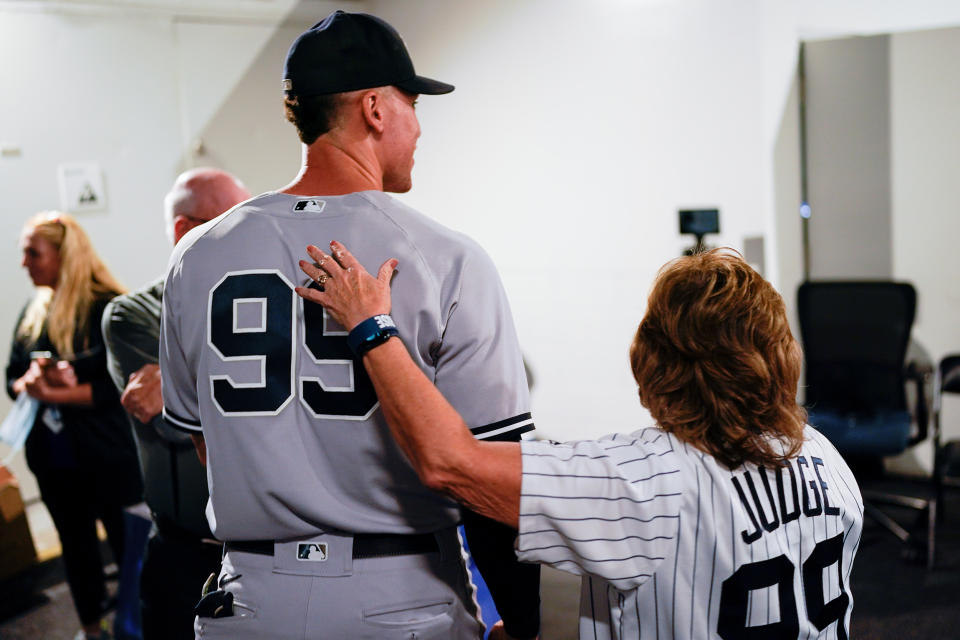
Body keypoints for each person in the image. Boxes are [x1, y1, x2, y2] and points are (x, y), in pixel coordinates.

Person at [158, 10, 539, 640]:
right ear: (375, 109)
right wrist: (519, 623)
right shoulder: (444, 256)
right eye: (412, 103)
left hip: (249, 600)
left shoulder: (197, 254)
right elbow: (488, 476)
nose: (419, 127)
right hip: (402, 595)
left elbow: (206, 442)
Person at [297, 244, 865, 640]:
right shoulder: (826, 458)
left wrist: (371, 327)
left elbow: (450, 463)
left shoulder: (641, 483)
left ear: (653, 359)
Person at [101, 168, 251, 640]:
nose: (253, 241)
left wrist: (181, 377)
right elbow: (172, 423)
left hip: (264, 551)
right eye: (235, 225)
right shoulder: (134, 314)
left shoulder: (261, 302)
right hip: (186, 552)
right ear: (186, 231)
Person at [6, 212, 144, 640]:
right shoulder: (35, 309)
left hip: (108, 457)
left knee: (131, 550)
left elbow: (120, 385)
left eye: (33, 253)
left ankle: (140, 626)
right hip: (55, 461)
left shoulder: (107, 306)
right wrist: (28, 382)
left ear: (63, 255)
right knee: (78, 551)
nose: (24, 263)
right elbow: (12, 376)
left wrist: (52, 393)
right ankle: (91, 628)